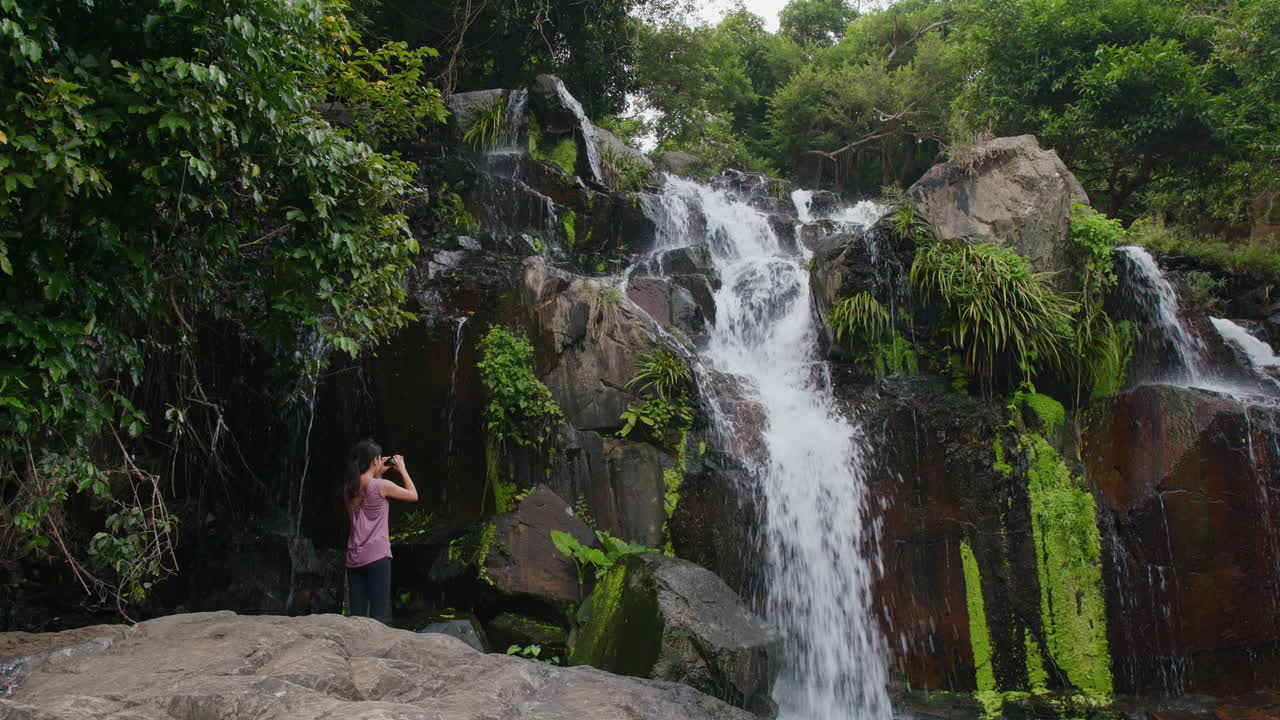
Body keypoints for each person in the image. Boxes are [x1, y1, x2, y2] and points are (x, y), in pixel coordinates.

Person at [343, 439, 417, 621]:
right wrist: (402, 468)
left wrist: (377, 475)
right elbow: (413, 495)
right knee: (379, 615)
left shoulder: (348, 488)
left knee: (357, 617)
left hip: (354, 558)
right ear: (375, 461)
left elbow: (367, 495)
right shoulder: (381, 486)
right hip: (377, 557)